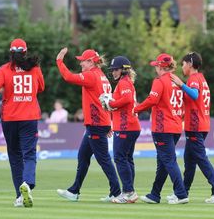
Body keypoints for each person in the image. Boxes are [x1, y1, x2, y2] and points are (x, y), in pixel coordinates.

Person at [0, 38, 44, 207]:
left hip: (10, 119)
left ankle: (19, 195)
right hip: (29, 117)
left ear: (11, 52)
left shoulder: (4, 69)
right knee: (29, 154)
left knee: (15, 157)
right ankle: (28, 184)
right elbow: (42, 87)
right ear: (25, 52)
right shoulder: (35, 68)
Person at [55, 48, 121, 203]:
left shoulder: (91, 76)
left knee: (103, 158)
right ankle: (74, 191)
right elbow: (106, 101)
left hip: (96, 123)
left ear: (91, 62)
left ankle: (117, 192)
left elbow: (68, 77)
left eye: (83, 60)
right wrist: (108, 123)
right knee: (83, 156)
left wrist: (59, 60)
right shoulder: (102, 76)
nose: (80, 63)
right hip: (100, 122)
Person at [170, 52, 214, 203]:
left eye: (183, 64)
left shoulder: (194, 78)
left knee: (200, 158)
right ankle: (182, 193)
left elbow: (195, 95)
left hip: (195, 125)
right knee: (189, 160)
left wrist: (181, 84)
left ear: (189, 63)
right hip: (201, 124)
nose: (182, 67)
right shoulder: (201, 78)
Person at [134, 53, 188, 204]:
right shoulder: (176, 81)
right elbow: (184, 104)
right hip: (176, 126)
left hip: (162, 127)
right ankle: (155, 194)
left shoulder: (160, 81)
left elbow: (153, 99)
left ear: (161, 66)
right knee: (163, 161)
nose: (155, 68)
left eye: (157, 66)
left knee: (168, 161)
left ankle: (181, 194)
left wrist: (136, 109)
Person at [100, 56, 141, 203]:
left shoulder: (124, 83)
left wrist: (111, 103)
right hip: (130, 125)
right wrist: (111, 101)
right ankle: (129, 191)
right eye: (112, 70)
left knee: (119, 158)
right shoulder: (126, 82)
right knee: (127, 159)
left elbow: (127, 100)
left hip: (125, 126)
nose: (114, 72)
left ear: (124, 70)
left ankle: (128, 192)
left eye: (116, 69)